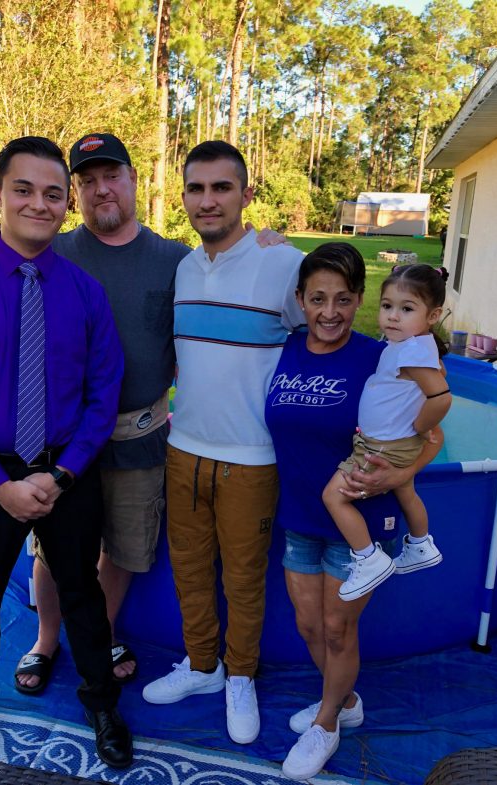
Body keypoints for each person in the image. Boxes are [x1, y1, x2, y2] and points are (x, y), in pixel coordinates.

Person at [0, 133, 287, 692]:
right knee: (49, 547)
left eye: (111, 176)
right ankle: (45, 641)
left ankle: (98, 636)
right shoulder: (51, 253)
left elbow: (228, 271)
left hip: (140, 436)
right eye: (86, 182)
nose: (100, 189)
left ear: (135, 181)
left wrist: (267, 244)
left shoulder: (176, 262)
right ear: (75, 194)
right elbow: (2, 263)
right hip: (59, 438)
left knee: (126, 550)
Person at [0, 136, 132, 768]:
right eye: (24, 190)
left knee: (82, 592)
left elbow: (104, 391)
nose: (39, 204)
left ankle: (101, 704)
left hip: (69, 467)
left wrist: (65, 473)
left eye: (52, 193)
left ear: (67, 204)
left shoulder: (86, 293)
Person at [141, 141, 305, 746]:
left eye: (221, 188)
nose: (207, 200)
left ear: (246, 195)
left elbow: (329, 330)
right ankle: (204, 667)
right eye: (196, 189)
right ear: (183, 195)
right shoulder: (184, 267)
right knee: (188, 570)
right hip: (183, 448)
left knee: (242, 578)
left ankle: (241, 675)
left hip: (252, 458)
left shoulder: (284, 264)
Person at [263, 243, 443, 780]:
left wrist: (400, 474)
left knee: (339, 630)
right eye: (317, 299)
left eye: (344, 299)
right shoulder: (289, 348)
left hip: (360, 520)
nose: (330, 312)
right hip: (300, 513)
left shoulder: (383, 354)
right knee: (308, 624)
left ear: (360, 300)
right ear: (300, 301)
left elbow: (432, 435)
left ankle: (326, 721)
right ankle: (344, 702)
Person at [323, 263, 452, 602]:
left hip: (384, 448)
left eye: (406, 309)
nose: (393, 316)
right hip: (389, 443)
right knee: (406, 491)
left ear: (433, 315)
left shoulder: (413, 353)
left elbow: (441, 397)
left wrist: (421, 427)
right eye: (387, 306)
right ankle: (421, 544)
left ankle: (368, 558)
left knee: (334, 497)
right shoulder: (410, 346)